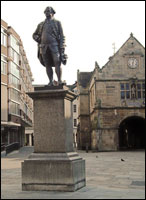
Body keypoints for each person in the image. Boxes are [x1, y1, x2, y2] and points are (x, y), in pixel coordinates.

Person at [32, 6, 67, 86]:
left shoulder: (57, 22)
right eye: (46, 12)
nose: (47, 13)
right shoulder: (41, 24)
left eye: (48, 11)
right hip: (44, 47)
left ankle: (59, 80)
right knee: (47, 64)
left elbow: (62, 36)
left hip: (54, 46)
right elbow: (34, 34)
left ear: (53, 13)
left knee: (57, 62)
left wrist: (62, 47)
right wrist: (37, 38)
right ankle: (50, 81)